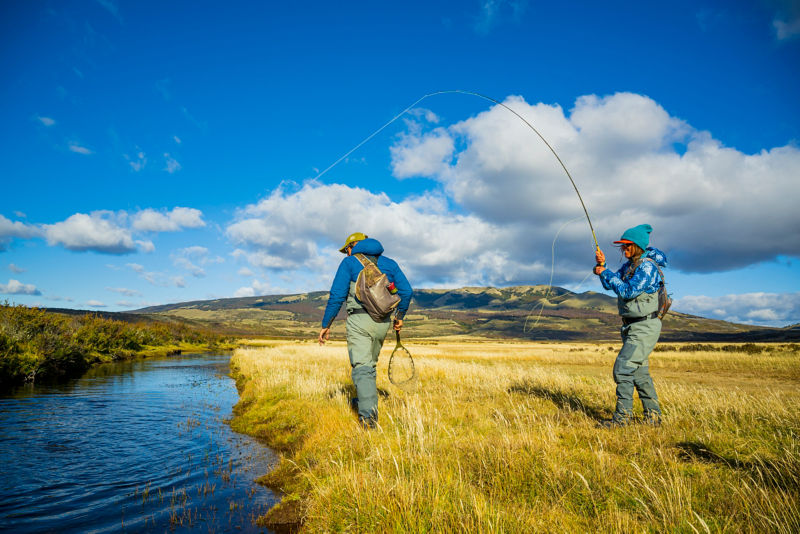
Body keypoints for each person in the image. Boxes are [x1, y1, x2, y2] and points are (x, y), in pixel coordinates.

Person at [318, 232, 413, 428]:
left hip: (359, 319)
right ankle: (365, 400)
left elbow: (337, 296)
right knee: (370, 364)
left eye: (347, 250)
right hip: (383, 322)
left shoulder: (349, 264)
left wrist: (326, 325)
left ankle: (368, 420)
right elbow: (406, 292)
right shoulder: (390, 263)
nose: (346, 254)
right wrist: (399, 317)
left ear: (353, 246)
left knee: (362, 367)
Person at [593, 223, 666, 427]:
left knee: (623, 369)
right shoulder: (630, 265)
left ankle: (621, 420)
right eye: (622, 246)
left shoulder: (647, 266)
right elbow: (611, 283)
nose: (623, 250)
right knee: (639, 374)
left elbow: (627, 291)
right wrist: (603, 268)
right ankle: (653, 418)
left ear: (637, 246)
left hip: (644, 327)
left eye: (627, 246)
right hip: (632, 326)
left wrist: (605, 273)